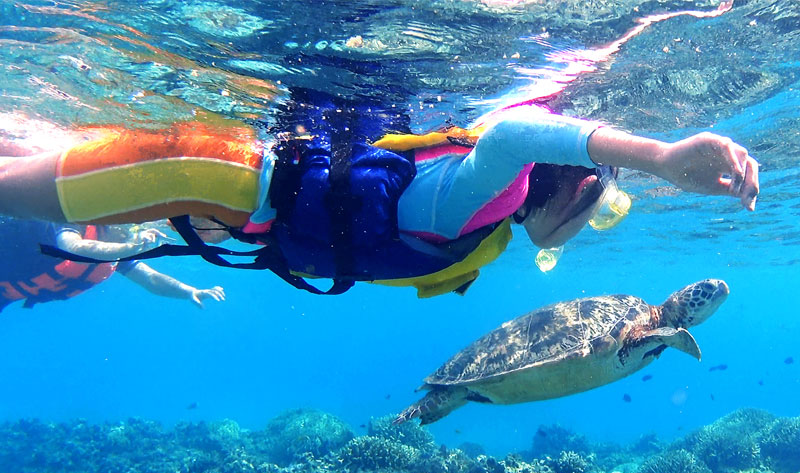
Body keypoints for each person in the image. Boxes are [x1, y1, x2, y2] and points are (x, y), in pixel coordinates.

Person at [0, 93, 759, 298]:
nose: (592, 228)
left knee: (27, 167)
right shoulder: (480, 197)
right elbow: (514, 133)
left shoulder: (483, 224)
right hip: (205, 173)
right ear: (573, 191)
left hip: (218, 195)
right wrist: (658, 155)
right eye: (602, 212)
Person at [0, 217, 225, 312]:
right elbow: (71, 246)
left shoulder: (115, 246)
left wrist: (189, 292)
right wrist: (127, 249)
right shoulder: (75, 218)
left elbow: (151, 279)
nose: (131, 230)